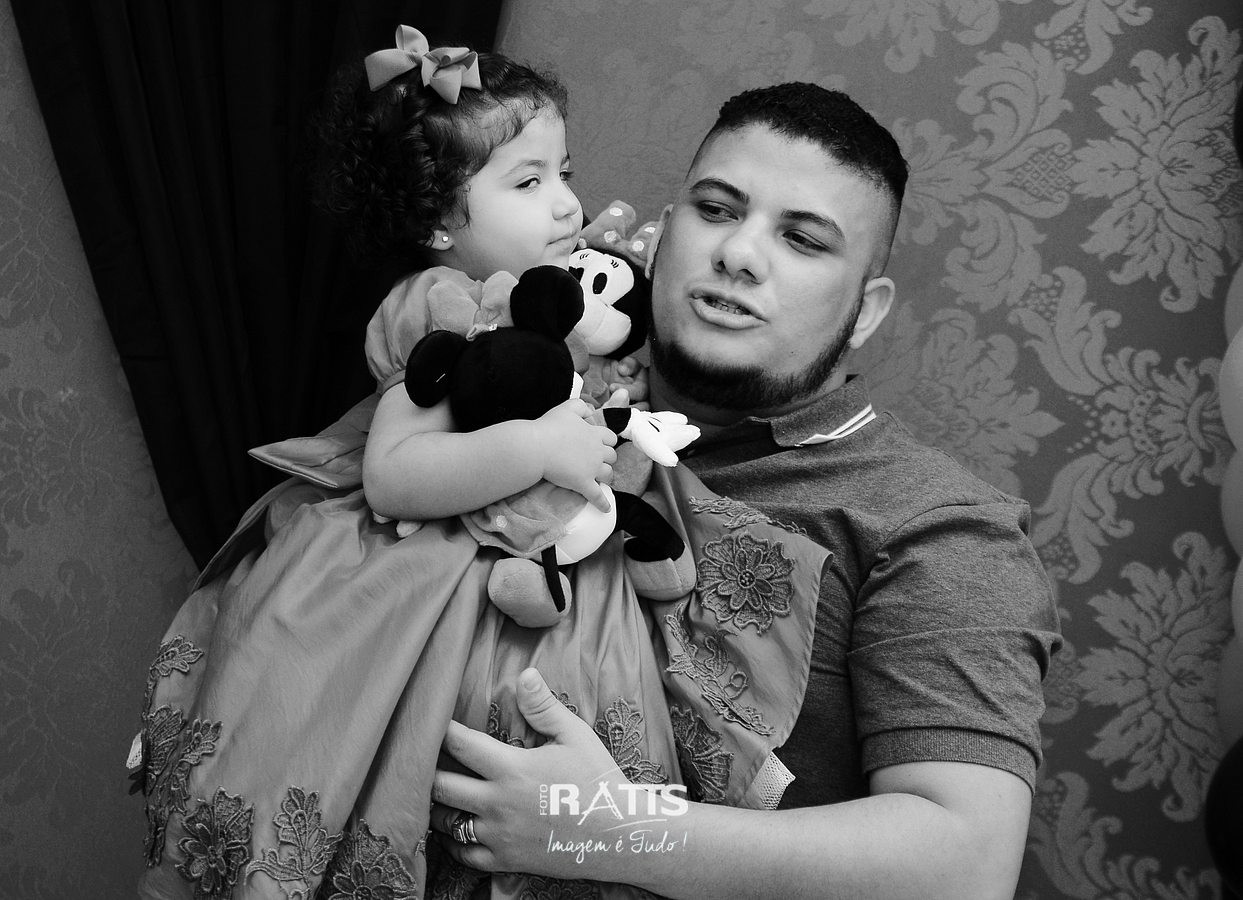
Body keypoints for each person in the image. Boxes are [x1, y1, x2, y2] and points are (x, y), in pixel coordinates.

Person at [133, 30, 824, 900]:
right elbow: (395, 471)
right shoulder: (443, 307)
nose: (566, 206)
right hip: (431, 564)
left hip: (550, 556)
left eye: (564, 173)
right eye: (528, 183)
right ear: (436, 224)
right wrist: (538, 446)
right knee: (383, 732)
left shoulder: (551, 300)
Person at [428, 82, 1063, 899]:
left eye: (802, 239)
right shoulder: (512, 404)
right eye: (717, 209)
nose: (738, 253)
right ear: (663, 235)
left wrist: (607, 830)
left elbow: (964, 865)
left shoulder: (933, 527)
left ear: (864, 311)